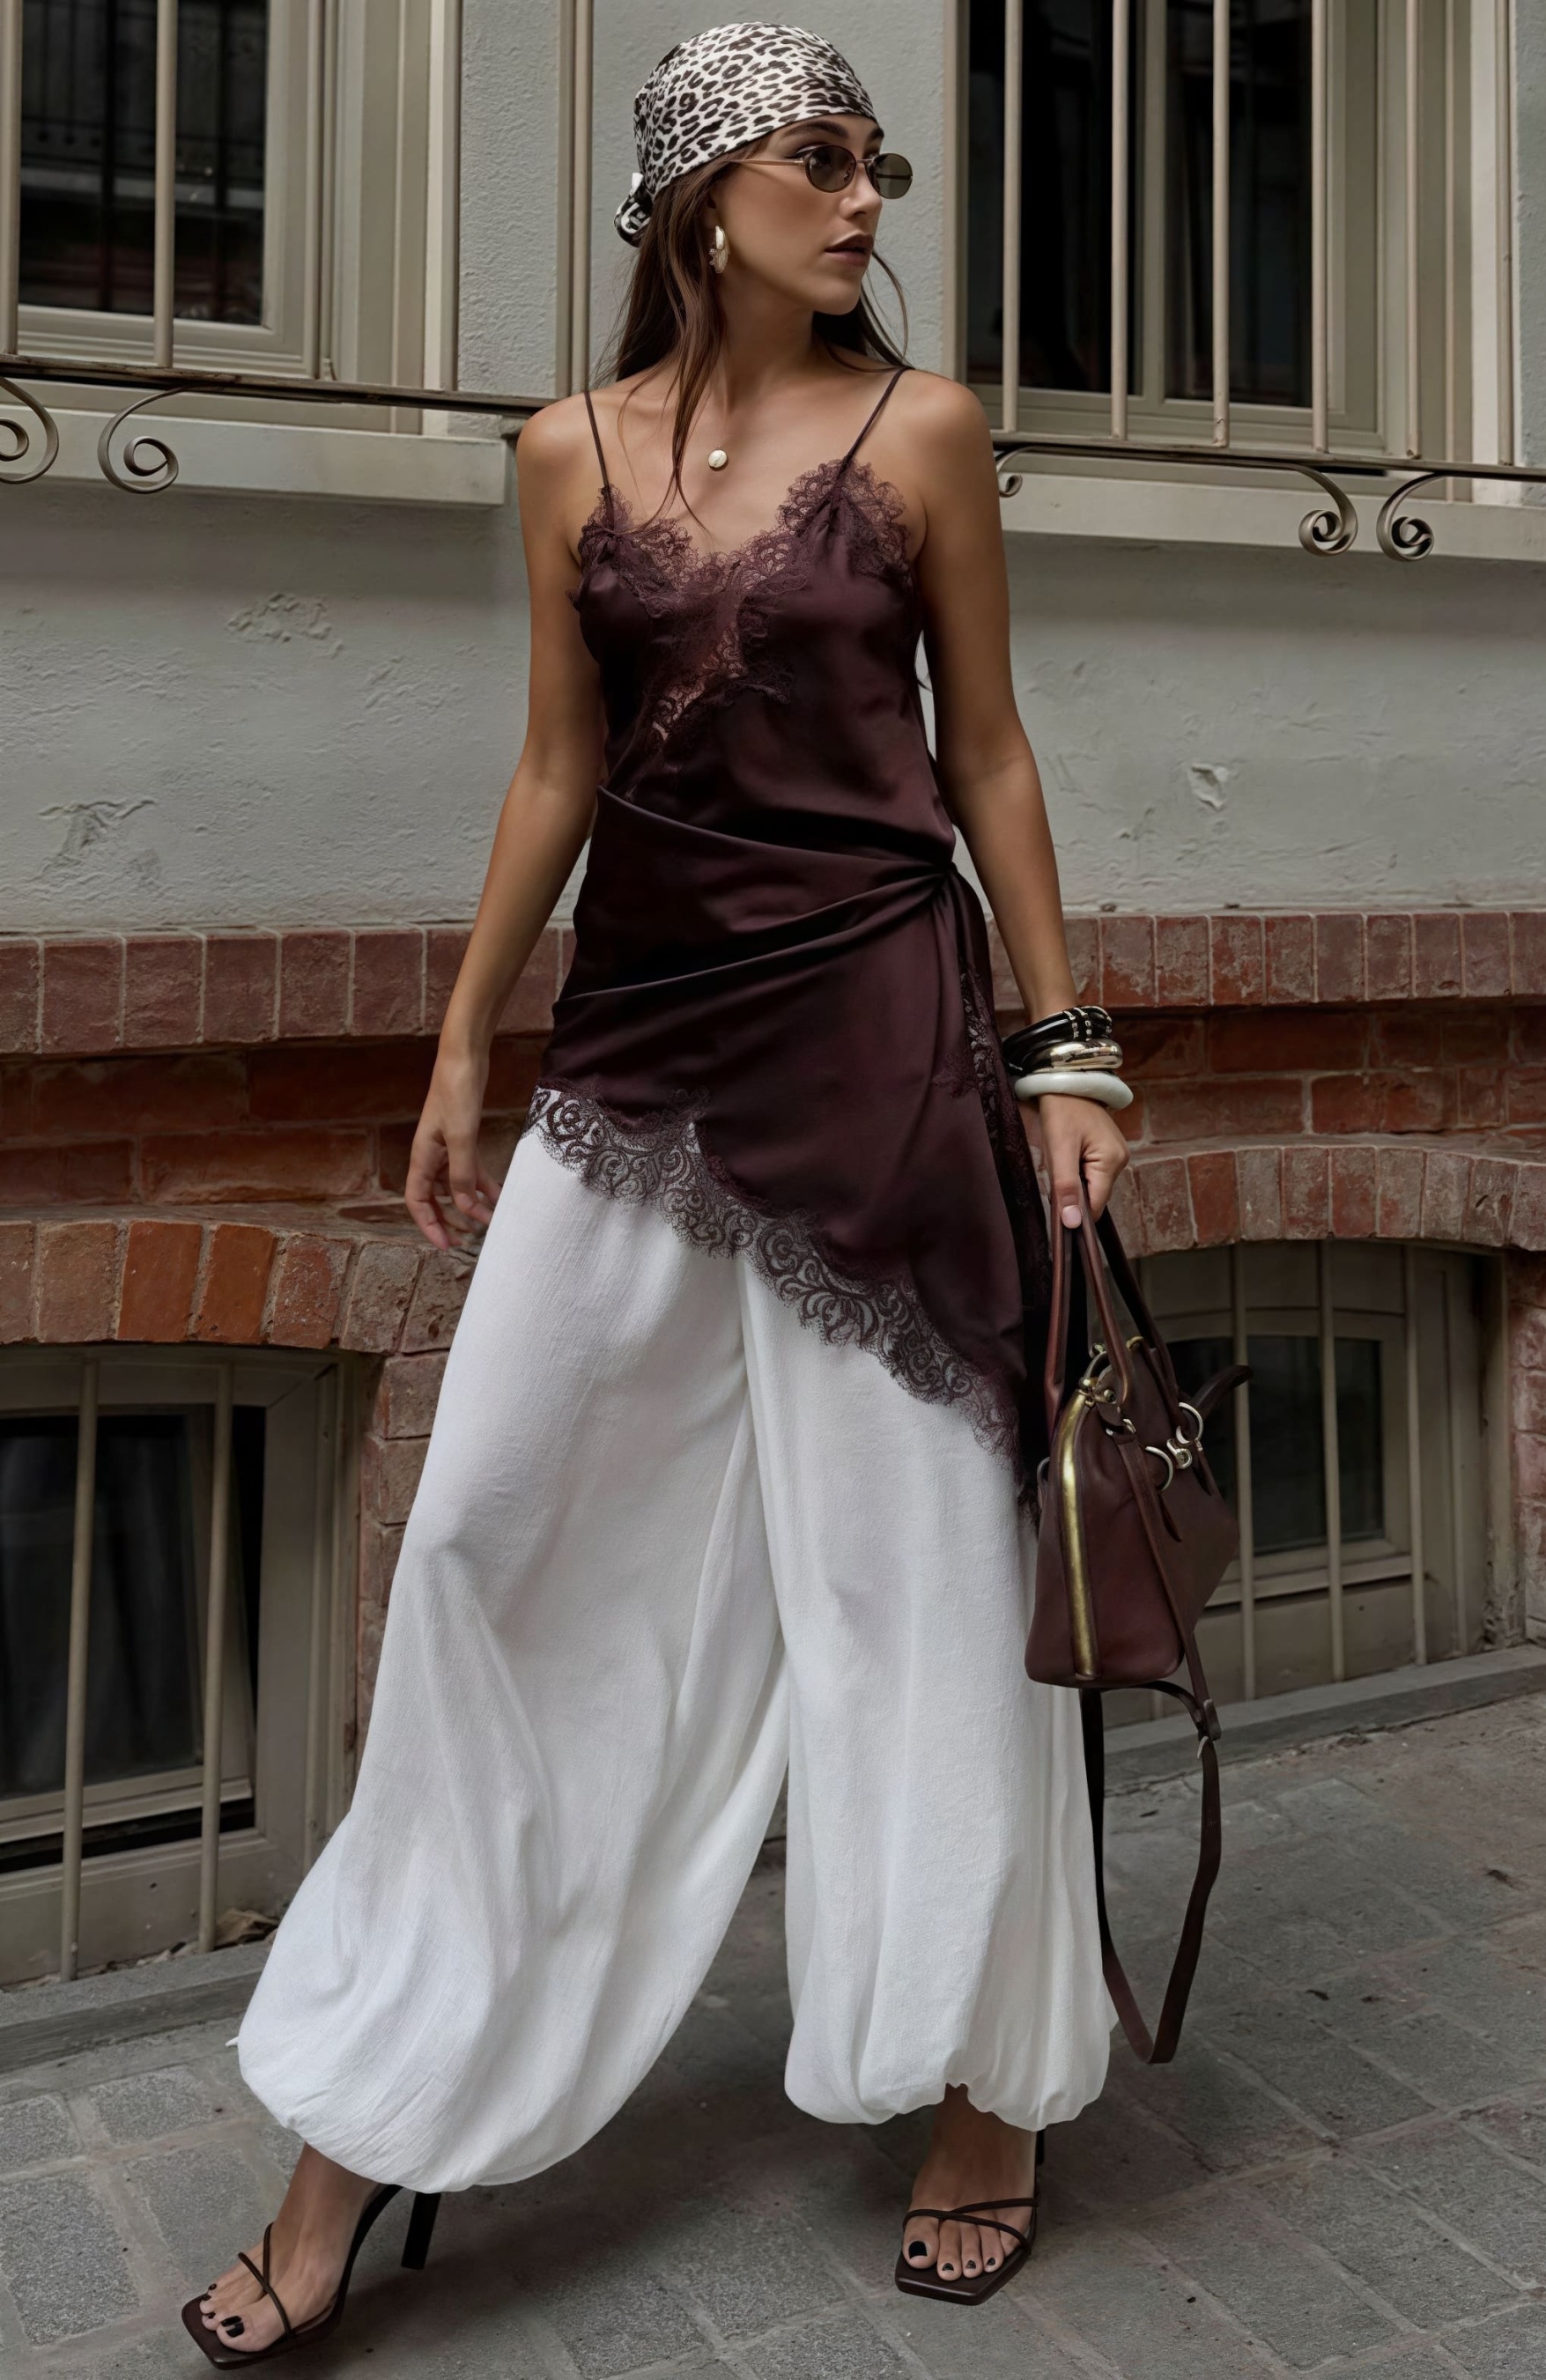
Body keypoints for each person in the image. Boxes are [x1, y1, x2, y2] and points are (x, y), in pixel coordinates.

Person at [185, 21, 1131, 2363]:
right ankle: (367, 2124)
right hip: (637, 1052)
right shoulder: (562, 453)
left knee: (919, 1584)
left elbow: (992, 757)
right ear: (704, 195)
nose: (867, 199)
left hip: (885, 1045)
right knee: (493, 1546)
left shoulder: (924, 432)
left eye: (876, 164)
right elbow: (557, 765)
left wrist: (1066, 1051)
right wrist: (461, 1040)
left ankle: (984, 2090)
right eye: (823, 159)